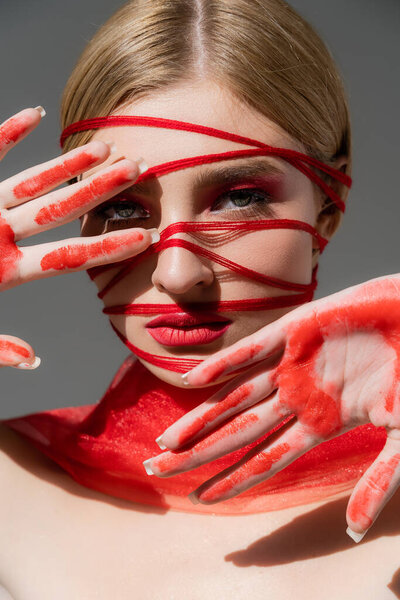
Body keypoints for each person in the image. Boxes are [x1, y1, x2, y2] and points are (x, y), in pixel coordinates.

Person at [0, 0, 399, 598]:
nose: (180, 274)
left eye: (239, 198)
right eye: (122, 208)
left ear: (327, 209)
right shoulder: (12, 481)